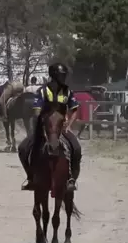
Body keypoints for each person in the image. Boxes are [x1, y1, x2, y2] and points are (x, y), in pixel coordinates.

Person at [19, 62, 82, 192]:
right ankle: (31, 177)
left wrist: (69, 125)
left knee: (76, 148)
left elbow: (74, 109)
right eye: (61, 75)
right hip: (45, 127)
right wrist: (42, 125)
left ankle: (72, 180)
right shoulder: (42, 91)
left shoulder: (67, 92)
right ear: (54, 76)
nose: (63, 78)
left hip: (62, 128)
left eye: (64, 76)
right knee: (23, 148)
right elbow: (37, 111)